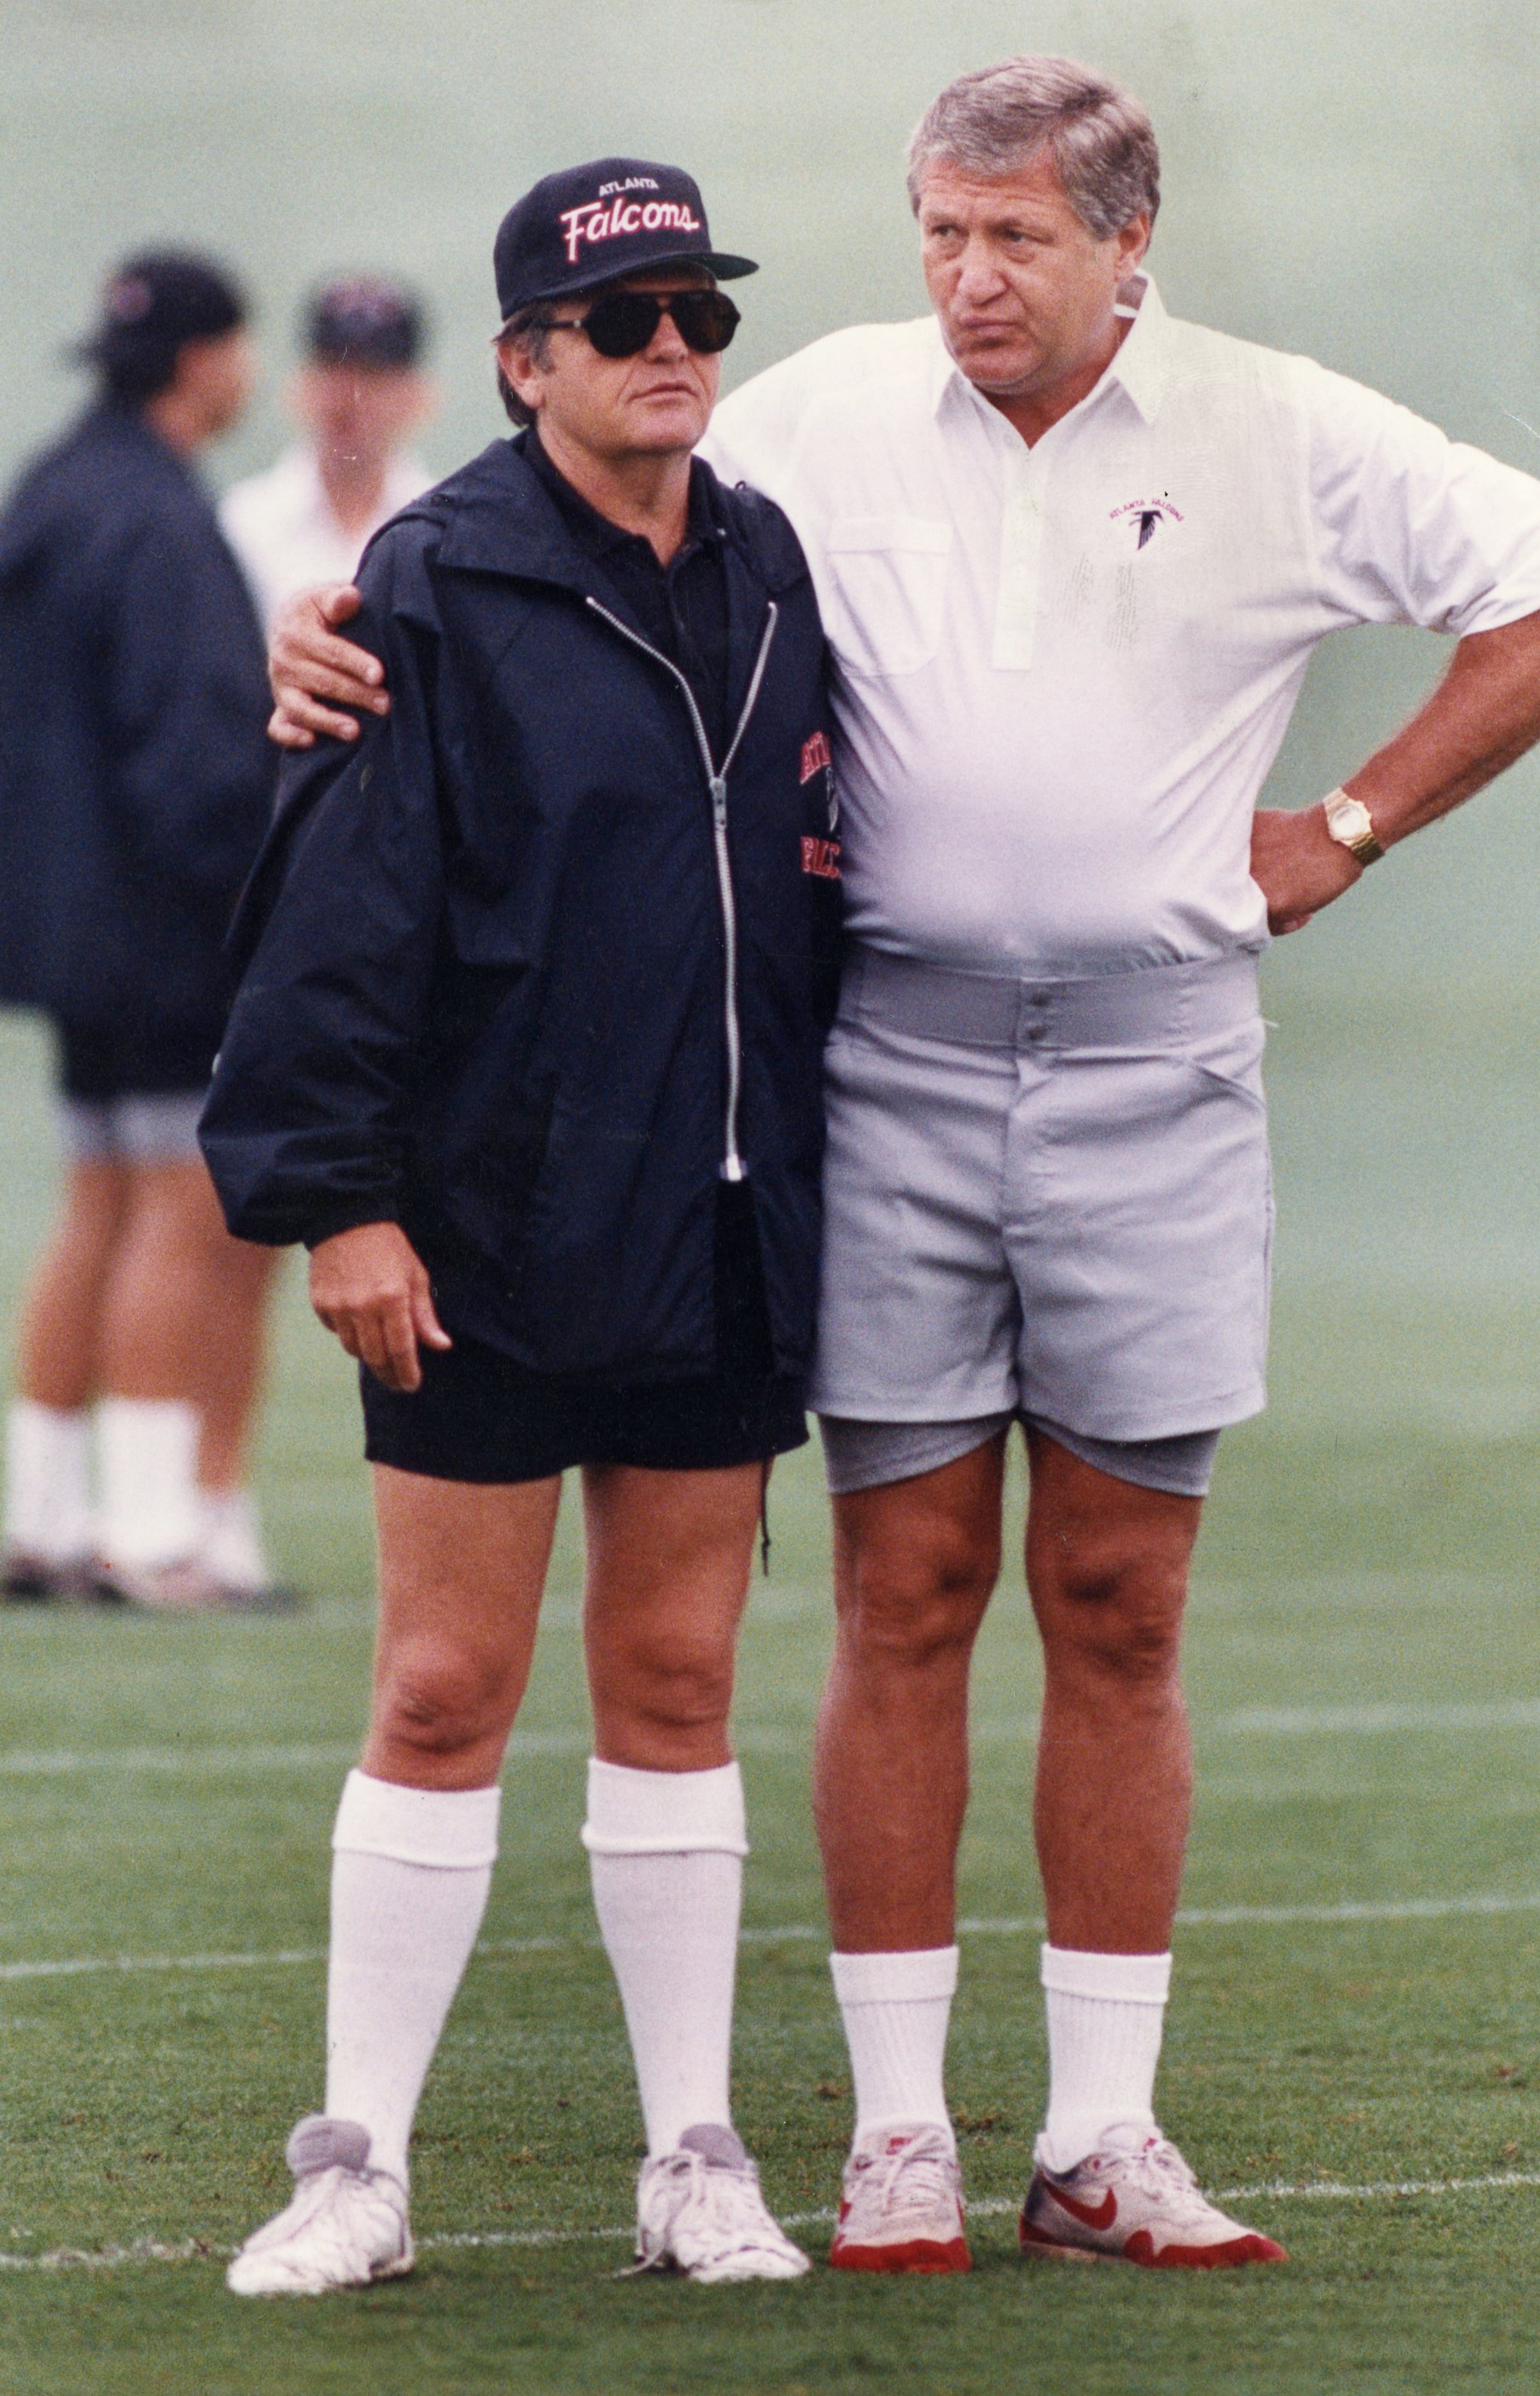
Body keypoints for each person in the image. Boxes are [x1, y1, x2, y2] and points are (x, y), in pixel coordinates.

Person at [267, 56, 1540, 2274]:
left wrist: (1349, 825)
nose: (970, 277)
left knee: (1121, 1595)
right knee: (903, 1589)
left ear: (1126, 244)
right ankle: (896, 2130)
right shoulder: (814, 408)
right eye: (940, 229)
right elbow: (541, 516)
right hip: (884, 1062)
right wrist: (333, 626)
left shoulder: (1274, 421)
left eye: (1016, 237)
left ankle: (1102, 2132)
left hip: (1158, 1062)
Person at [201, 158, 841, 2294]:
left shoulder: (769, 564)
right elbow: (335, 919)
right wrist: (341, 1205)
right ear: (523, 359)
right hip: (480, 1232)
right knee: (447, 1682)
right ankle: (355, 2170)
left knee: (676, 1673)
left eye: (698, 312)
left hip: (728, 1224)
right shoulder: (432, 578)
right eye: (624, 316)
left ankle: (694, 2157)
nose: (673, 346)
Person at [0, 251, 284, 1612]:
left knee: (100, 1199)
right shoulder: (160, 519)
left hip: (61, 927)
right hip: (166, 926)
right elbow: (199, 759)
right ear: (202, 360)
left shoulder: (51, 491)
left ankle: (44, 1516)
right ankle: (153, 1532)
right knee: (185, 1205)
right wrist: (260, 902)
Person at [221, 274, 435, 630]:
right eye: (335, 369)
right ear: (300, 385)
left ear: (418, 395)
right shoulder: (240, 526)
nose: (350, 396)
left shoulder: (443, 531)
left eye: (374, 374)